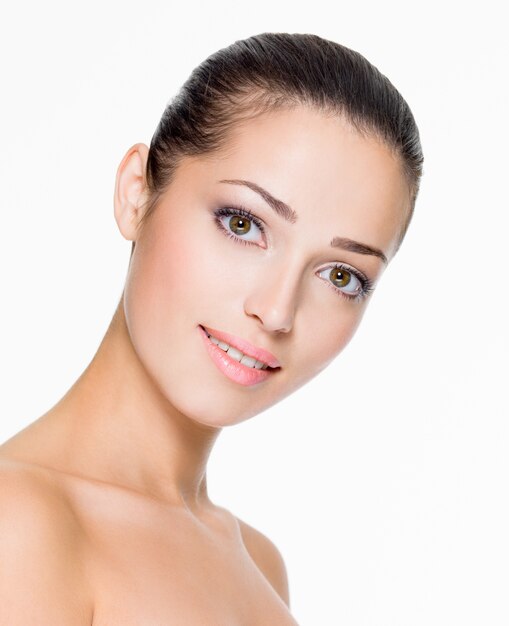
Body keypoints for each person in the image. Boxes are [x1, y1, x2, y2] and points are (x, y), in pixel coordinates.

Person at [0, 32, 423, 624]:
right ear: (137, 192)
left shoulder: (261, 564)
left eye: (341, 276)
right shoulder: (17, 528)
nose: (276, 311)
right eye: (244, 223)